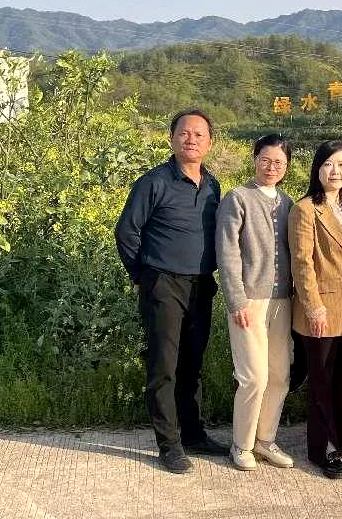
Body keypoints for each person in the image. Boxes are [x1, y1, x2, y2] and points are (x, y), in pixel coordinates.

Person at [115, 109, 228, 473]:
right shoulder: (154, 182)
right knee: (164, 365)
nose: (191, 139)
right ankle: (169, 445)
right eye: (184, 133)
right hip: (162, 283)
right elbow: (127, 231)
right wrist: (141, 275)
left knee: (192, 364)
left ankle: (193, 433)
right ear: (172, 138)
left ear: (209, 143)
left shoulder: (213, 186)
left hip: (201, 285)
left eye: (199, 134)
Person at [289, 140, 342, 480]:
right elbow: (301, 263)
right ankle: (319, 448)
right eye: (327, 164)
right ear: (317, 169)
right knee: (321, 380)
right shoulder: (305, 209)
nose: (334, 171)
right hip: (322, 307)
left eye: (341, 164)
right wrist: (313, 307)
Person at [216, 134, 295, 471]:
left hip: (282, 301)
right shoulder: (238, 198)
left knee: (279, 375)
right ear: (255, 160)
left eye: (279, 162)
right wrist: (236, 300)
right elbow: (227, 253)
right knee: (254, 377)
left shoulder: (288, 203)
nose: (271, 167)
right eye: (265, 159)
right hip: (249, 300)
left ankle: (265, 440)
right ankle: (242, 444)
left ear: (286, 166)